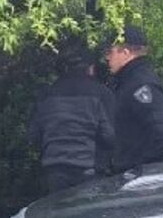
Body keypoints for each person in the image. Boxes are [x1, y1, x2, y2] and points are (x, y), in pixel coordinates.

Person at [29, 39, 116, 192]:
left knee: (58, 214)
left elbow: (34, 135)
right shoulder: (102, 94)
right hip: (90, 169)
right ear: (91, 68)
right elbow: (109, 135)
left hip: (54, 169)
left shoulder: (47, 94)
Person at [104, 26, 163, 172]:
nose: (107, 58)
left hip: (142, 182)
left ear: (125, 52)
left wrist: (143, 169)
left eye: (110, 52)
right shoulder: (131, 81)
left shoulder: (140, 84)